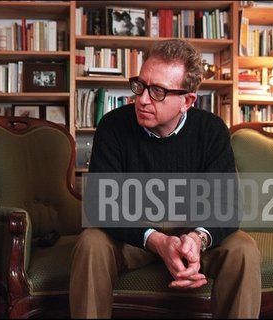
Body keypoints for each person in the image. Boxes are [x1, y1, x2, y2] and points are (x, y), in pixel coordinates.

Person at [69, 39, 261, 318]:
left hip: (190, 231)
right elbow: (99, 204)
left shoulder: (211, 130)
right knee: (91, 244)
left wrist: (197, 240)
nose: (142, 99)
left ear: (187, 100)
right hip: (135, 234)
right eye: (140, 85)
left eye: (157, 91)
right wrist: (157, 240)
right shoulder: (113, 125)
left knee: (244, 250)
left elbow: (228, 205)